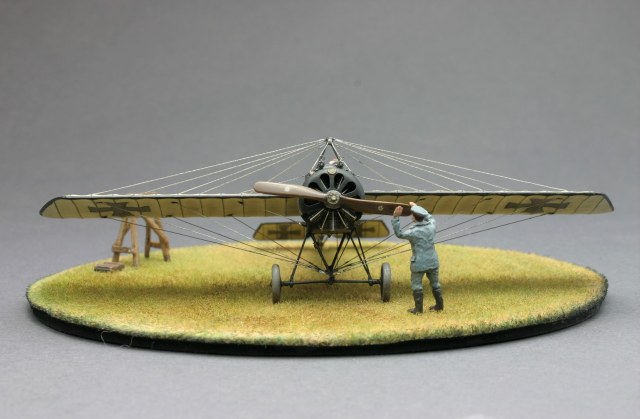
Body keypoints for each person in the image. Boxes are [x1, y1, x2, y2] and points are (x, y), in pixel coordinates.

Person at [392, 203, 443, 314]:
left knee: (417, 285)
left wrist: (396, 217)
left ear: (413, 217)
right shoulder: (431, 227)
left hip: (419, 263)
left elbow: (399, 234)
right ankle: (439, 305)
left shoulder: (413, 232)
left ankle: (418, 309)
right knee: (435, 283)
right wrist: (419, 207)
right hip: (432, 261)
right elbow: (430, 218)